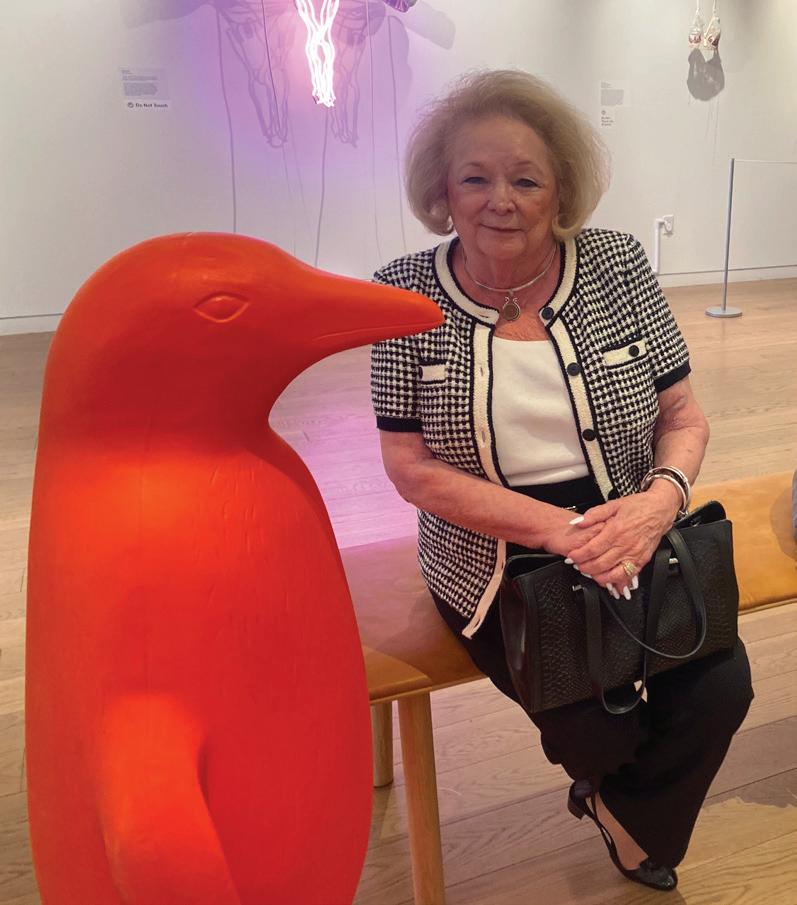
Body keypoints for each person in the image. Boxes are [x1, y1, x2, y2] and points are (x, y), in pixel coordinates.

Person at [370, 69, 753, 892]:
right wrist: (556, 531)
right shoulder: (402, 293)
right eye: (474, 178)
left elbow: (682, 415)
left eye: (525, 179)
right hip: (491, 555)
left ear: (561, 190)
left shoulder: (616, 264)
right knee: (592, 727)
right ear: (442, 191)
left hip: (633, 527)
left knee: (720, 687)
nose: (499, 201)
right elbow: (408, 466)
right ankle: (627, 812)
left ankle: (616, 811)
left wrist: (657, 504)